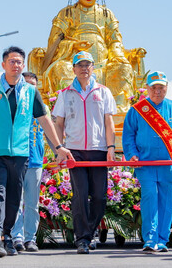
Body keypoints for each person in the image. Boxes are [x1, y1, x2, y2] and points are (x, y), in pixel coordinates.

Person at [0, 46, 73, 258]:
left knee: (14, 197)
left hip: (20, 154)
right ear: (4, 64)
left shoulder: (31, 92)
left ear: (23, 65)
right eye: (12, 61)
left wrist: (59, 147)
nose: (16, 65)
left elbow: (45, 121)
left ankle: (7, 237)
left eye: (19, 62)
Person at [28, 0, 146, 112]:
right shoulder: (66, 14)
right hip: (73, 63)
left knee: (123, 68)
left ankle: (118, 108)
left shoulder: (107, 14)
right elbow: (54, 41)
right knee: (60, 69)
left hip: (104, 63)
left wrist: (117, 56)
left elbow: (115, 39)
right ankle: (69, 108)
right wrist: (73, 45)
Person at [53, 51, 117, 254]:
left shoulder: (103, 91)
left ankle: (89, 232)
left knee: (99, 197)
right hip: (75, 151)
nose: (83, 68)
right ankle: (82, 239)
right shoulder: (65, 93)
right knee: (80, 195)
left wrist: (111, 147)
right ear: (73, 69)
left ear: (92, 68)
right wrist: (59, 148)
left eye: (87, 64)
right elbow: (59, 123)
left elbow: (109, 122)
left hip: (98, 150)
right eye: (79, 65)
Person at [123, 71, 172, 252]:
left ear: (166, 88)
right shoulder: (137, 110)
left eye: (161, 87)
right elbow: (129, 135)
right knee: (149, 198)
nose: (157, 91)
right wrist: (131, 153)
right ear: (147, 88)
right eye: (153, 87)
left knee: (167, 200)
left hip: (168, 165)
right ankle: (150, 238)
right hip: (145, 165)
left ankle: (162, 240)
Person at [12, 72, 47, 252]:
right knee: (16, 201)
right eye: (26, 84)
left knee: (32, 203)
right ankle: (16, 237)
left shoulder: (42, 107)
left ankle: (30, 238)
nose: (30, 88)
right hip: (16, 159)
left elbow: (49, 132)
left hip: (35, 161)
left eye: (33, 85)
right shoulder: (15, 105)